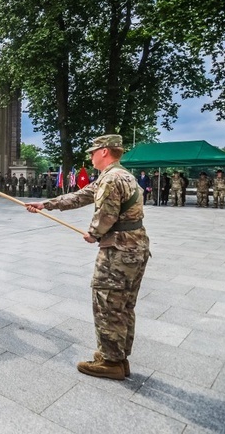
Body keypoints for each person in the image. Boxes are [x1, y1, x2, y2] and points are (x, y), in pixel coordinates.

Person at [26, 135, 149, 381]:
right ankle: (119, 357)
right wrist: (45, 204)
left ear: (104, 151)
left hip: (118, 250)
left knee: (107, 303)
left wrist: (94, 233)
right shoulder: (122, 175)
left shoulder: (111, 179)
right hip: (135, 247)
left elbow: (107, 213)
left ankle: (110, 361)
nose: (90, 156)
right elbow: (80, 196)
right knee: (123, 304)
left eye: (93, 151)